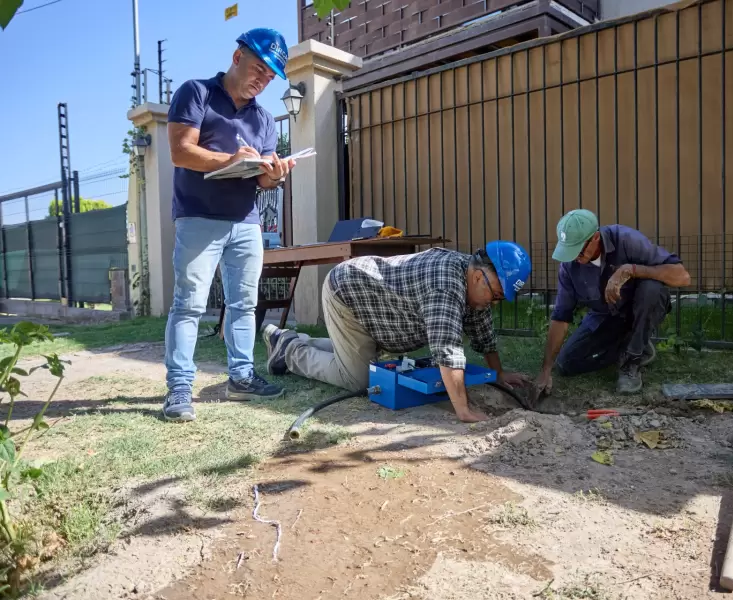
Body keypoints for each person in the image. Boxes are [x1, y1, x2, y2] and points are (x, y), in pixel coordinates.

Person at [162, 28, 296, 422]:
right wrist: (231, 159)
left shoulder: (264, 118)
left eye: (270, 77)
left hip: (245, 222)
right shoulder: (196, 93)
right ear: (237, 57)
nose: (262, 80)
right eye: (258, 69)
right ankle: (180, 389)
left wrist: (276, 173)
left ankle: (241, 378)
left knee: (244, 305)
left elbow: (263, 181)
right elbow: (180, 152)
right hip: (198, 217)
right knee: (188, 305)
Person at [261, 242, 533, 423]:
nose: (494, 303)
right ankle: (289, 350)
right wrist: (463, 409)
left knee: (365, 360)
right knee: (359, 379)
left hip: (374, 302)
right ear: (478, 277)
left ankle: (295, 340)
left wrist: (498, 374)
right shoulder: (446, 285)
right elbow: (447, 349)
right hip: (349, 294)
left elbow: (483, 334)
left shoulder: (474, 282)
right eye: (496, 295)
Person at [533, 209, 691, 397]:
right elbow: (560, 317)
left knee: (652, 289)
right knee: (566, 364)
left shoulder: (626, 239)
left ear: (596, 238)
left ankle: (631, 361)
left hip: (638, 309)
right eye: (569, 249)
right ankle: (632, 348)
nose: (575, 256)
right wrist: (545, 370)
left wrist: (631, 270)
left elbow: (682, 277)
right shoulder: (568, 267)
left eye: (579, 248)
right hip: (605, 316)